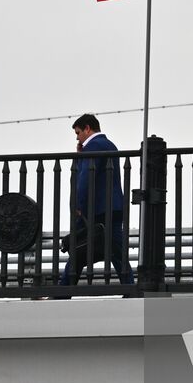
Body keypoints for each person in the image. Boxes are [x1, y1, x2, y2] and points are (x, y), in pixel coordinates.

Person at [60, 113, 134, 286]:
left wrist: (78, 204)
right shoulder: (110, 145)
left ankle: (62, 290)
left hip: (97, 208)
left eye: (78, 133)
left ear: (87, 128)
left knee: (78, 248)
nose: (77, 137)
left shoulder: (92, 146)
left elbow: (85, 178)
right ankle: (129, 287)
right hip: (113, 207)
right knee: (116, 251)